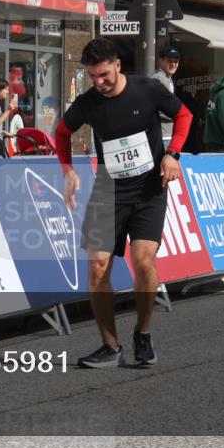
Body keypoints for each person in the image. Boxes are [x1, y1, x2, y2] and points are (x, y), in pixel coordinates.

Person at [55, 38, 192, 368]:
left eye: (103, 74)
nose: (99, 82)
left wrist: (173, 154)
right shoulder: (89, 102)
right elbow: (61, 133)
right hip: (108, 190)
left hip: (148, 189)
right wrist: (68, 172)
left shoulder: (147, 89)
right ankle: (110, 346)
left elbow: (184, 115)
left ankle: (142, 334)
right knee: (97, 266)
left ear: (117, 64)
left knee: (144, 261)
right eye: (92, 77)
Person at [151, 45, 180, 145]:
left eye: (175, 62)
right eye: (169, 61)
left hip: (166, 132)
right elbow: (159, 107)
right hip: (162, 133)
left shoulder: (168, 78)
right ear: (161, 60)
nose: (173, 64)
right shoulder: (160, 79)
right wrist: (177, 114)